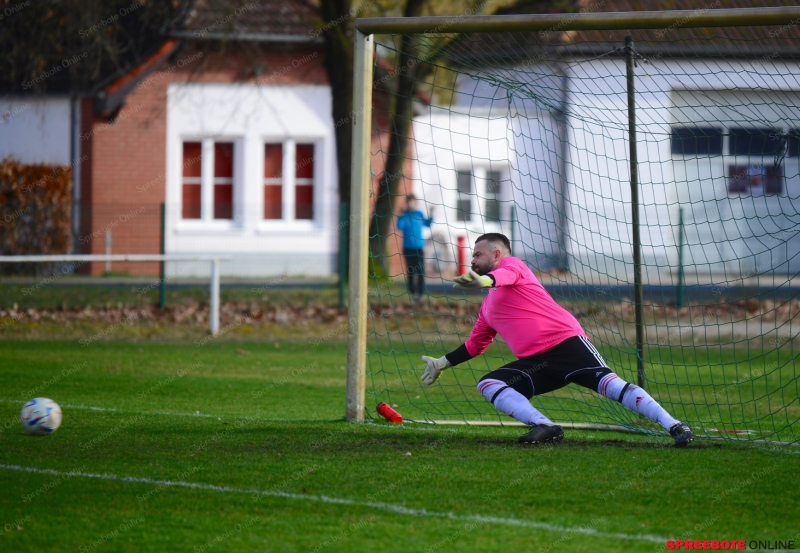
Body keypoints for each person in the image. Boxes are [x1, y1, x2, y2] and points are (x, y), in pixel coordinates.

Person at [419, 233, 694, 447]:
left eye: (478, 254)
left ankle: (674, 425)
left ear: (497, 253)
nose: (473, 261)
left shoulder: (513, 266)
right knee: (490, 383)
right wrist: (441, 362)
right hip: (538, 364)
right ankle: (545, 426)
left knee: (612, 386)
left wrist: (483, 281)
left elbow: (502, 276)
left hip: (567, 345)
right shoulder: (487, 308)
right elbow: (475, 345)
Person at [396, 194, 434, 302]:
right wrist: (400, 214)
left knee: (421, 271)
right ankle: (412, 294)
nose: (410, 204)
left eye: (412, 202)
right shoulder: (404, 215)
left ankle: (421, 294)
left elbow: (428, 224)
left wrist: (431, 213)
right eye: (409, 202)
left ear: (415, 203)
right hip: (408, 248)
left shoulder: (419, 214)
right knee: (411, 272)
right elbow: (399, 226)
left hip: (419, 248)